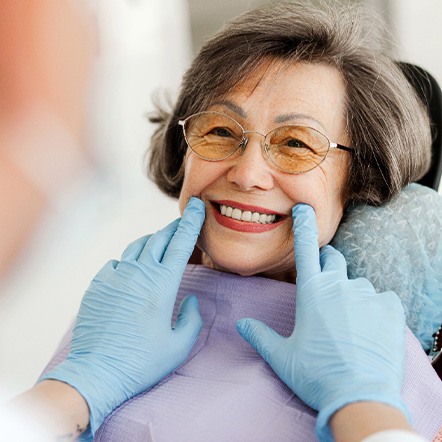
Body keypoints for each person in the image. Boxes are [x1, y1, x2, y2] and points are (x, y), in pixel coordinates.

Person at [37, 1, 442, 442]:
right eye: (220, 132)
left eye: (295, 143)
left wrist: (362, 409)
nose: (247, 174)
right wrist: (76, 387)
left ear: (359, 179)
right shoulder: (115, 318)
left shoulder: (377, 357)